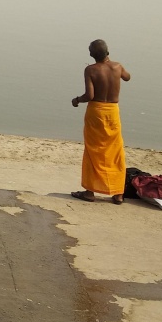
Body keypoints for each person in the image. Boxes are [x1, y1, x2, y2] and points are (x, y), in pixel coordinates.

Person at [71, 39, 131, 204]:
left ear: (91, 54)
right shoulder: (117, 67)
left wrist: (76, 100)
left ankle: (90, 192)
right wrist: (116, 70)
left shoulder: (90, 70)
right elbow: (128, 77)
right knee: (115, 150)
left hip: (96, 112)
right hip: (113, 111)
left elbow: (89, 95)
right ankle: (118, 193)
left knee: (93, 150)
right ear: (108, 52)